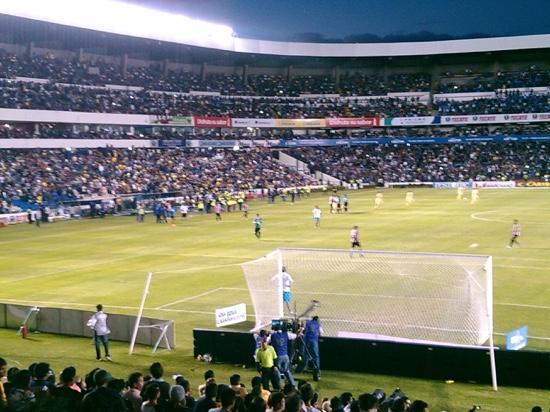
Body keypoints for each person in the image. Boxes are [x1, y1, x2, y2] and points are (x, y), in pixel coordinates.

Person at [268, 323, 297, 387]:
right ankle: (292, 384)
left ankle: (278, 386)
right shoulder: (286, 334)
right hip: (285, 356)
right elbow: (295, 336)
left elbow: (266, 341)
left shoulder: (272, 335)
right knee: (287, 371)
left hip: (278, 356)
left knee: (277, 371)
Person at [299, 316, 322, 381]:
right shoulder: (318, 324)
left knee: (306, 354)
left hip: (306, 340)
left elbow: (303, 329)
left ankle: (303, 368)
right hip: (314, 341)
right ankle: (317, 369)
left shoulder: (308, 322)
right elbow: (320, 333)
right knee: (316, 356)